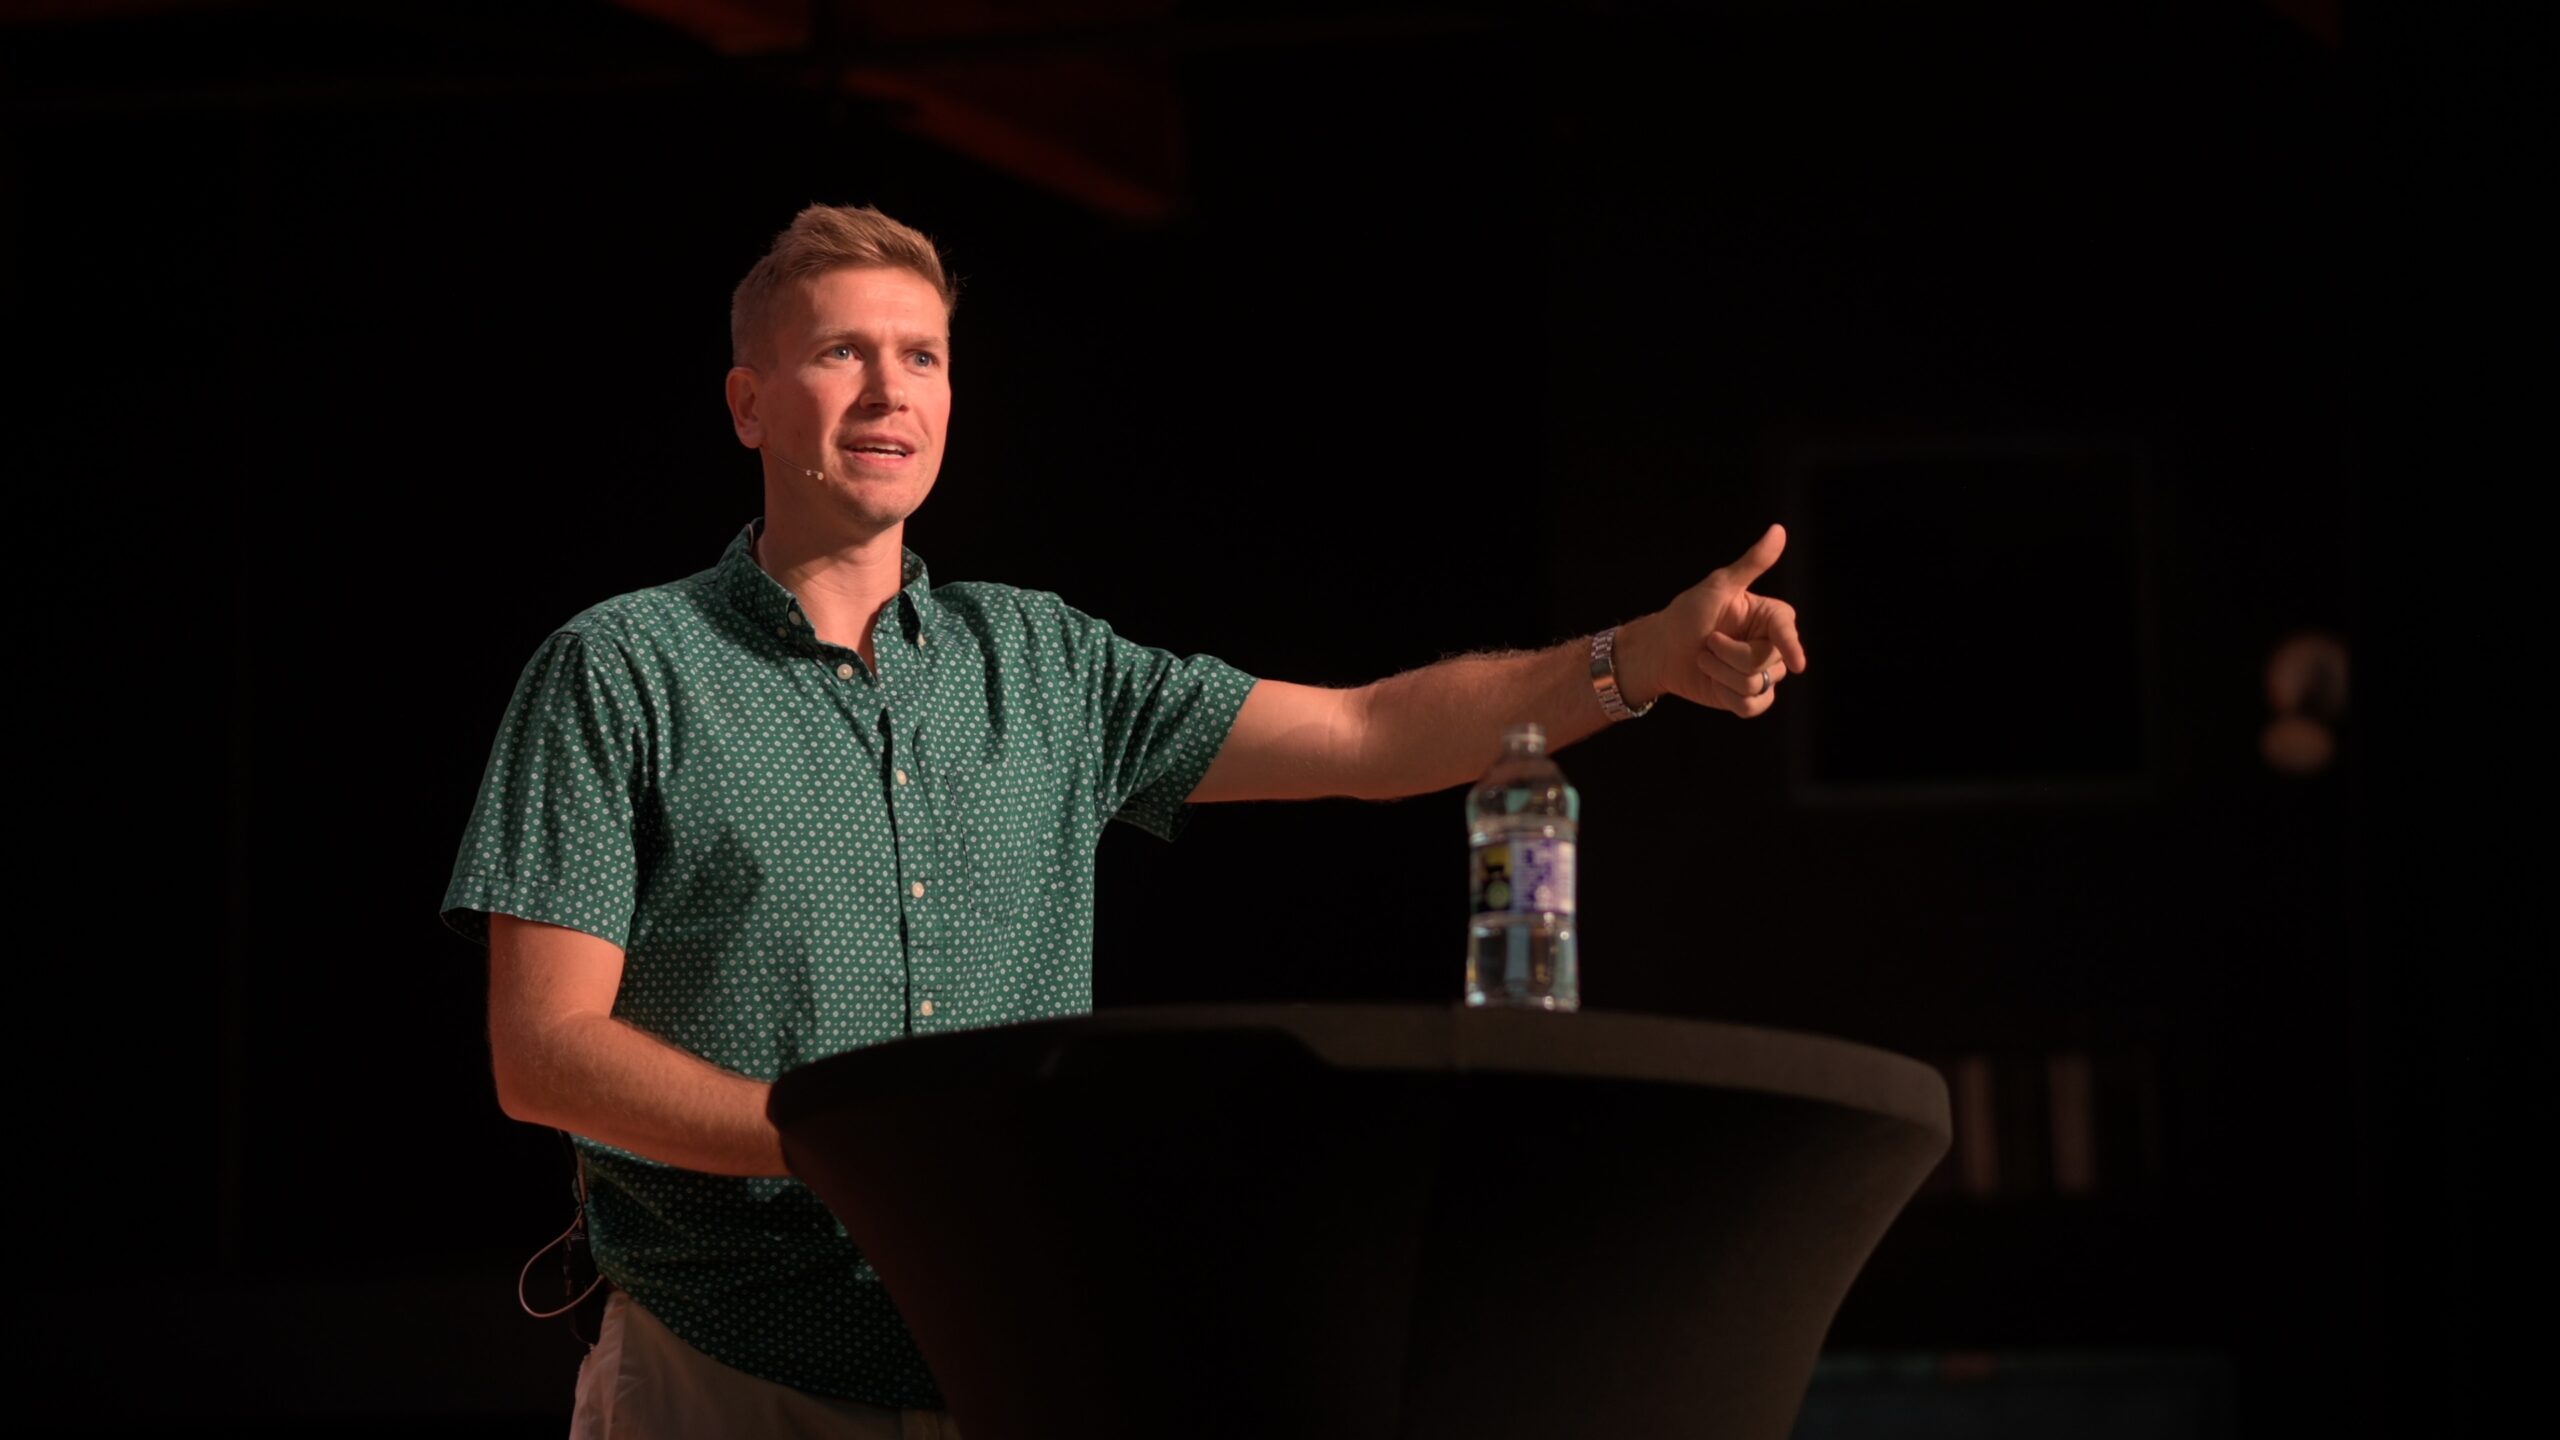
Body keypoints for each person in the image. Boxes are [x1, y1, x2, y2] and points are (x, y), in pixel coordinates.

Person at [441, 203, 1808, 1439]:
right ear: (748, 402)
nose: (889, 389)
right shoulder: (623, 669)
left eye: (922, 357)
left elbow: (1368, 736)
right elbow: (545, 1051)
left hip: (1011, 1358)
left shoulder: (1049, 667)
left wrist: (1637, 660)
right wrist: (845, 1140)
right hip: (724, 1370)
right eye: (840, 352)